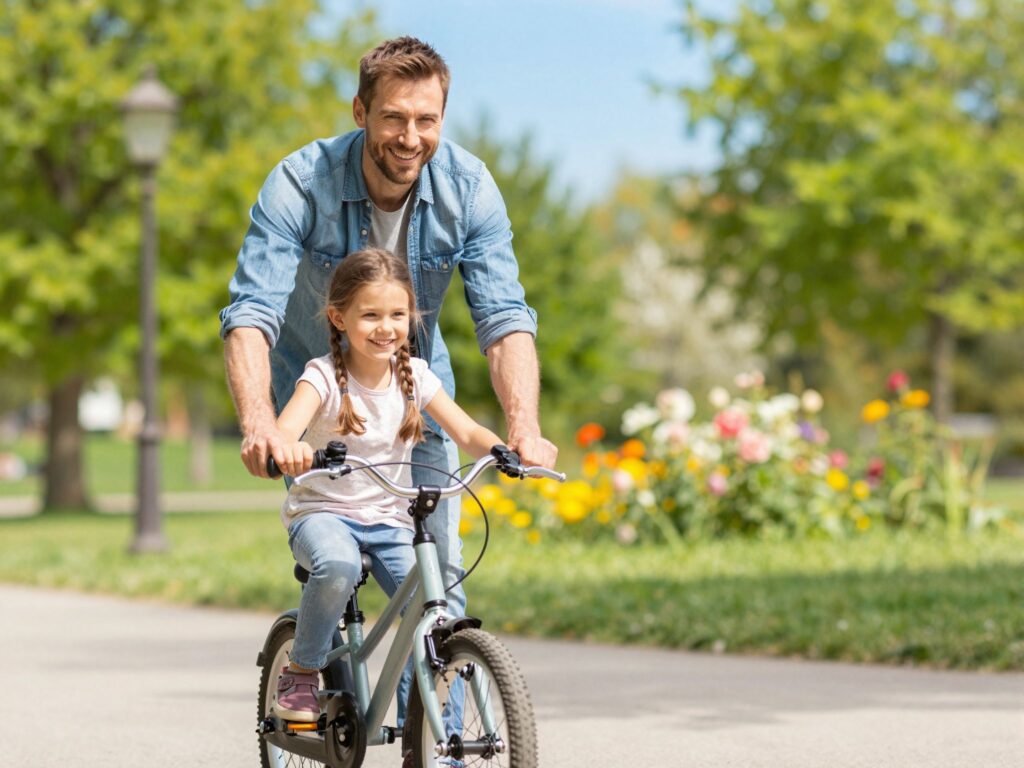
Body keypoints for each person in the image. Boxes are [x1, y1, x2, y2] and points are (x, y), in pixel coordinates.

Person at [219, 35, 557, 635]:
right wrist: (261, 427)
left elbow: (504, 319)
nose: (410, 138)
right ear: (360, 112)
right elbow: (251, 312)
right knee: (337, 561)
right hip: (319, 400)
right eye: (393, 118)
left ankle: (436, 728)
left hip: (413, 394)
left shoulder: (470, 190)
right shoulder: (301, 182)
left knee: (438, 583)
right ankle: (317, 672)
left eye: (426, 120)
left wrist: (522, 428)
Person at [270, 248, 505, 723]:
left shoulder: (415, 376)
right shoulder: (322, 377)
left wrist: (501, 448)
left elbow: (466, 431)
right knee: (336, 565)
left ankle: (419, 732)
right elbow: (284, 431)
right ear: (339, 318)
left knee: (431, 611)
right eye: (370, 315)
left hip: (389, 518)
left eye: (398, 314)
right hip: (323, 514)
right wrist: (288, 448)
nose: (386, 327)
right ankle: (301, 670)